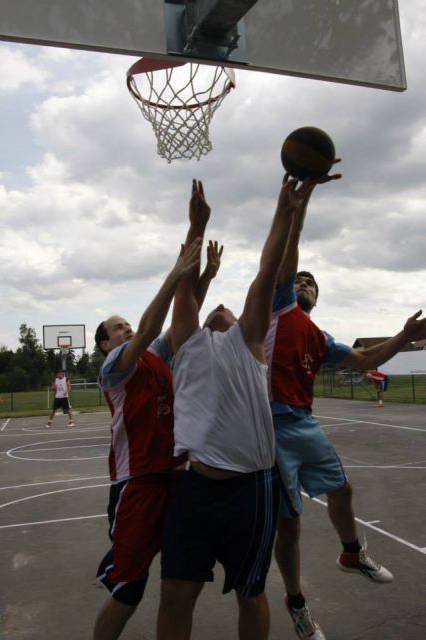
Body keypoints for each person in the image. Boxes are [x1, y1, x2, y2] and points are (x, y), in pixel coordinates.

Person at [156, 176, 317, 640]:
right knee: (174, 592)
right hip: (195, 488)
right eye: (215, 305)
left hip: (250, 491)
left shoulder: (249, 340)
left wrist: (285, 211)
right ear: (205, 320)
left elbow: (268, 269)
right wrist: (195, 225)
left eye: (228, 304)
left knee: (251, 592)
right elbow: (184, 282)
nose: (221, 306)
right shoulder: (186, 343)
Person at [267, 172, 426, 640]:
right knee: (290, 524)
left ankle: (351, 551)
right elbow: (287, 257)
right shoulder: (279, 307)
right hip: (269, 426)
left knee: (343, 489)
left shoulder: (318, 336)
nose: (304, 282)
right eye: (299, 279)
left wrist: (404, 337)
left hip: (302, 422)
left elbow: (363, 359)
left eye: (311, 283)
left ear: (319, 296)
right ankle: (296, 601)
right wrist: (301, 203)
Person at [92, 182, 222, 640]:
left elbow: (183, 318)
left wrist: (199, 253)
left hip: (175, 476)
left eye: (126, 323)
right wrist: (173, 274)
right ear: (106, 344)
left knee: (181, 578)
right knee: (129, 589)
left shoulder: (155, 356)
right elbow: (151, 326)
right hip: (138, 485)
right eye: (116, 327)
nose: (126, 328)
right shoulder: (117, 368)